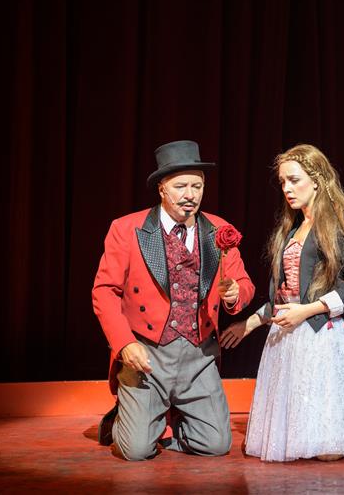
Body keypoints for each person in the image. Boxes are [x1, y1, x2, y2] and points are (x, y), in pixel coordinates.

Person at [220, 144, 344, 462]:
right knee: (295, 441)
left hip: (324, 331)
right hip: (290, 336)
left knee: (328, 451)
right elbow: (285, 293)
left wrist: (309, 310)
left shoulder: (341, 225)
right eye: (282, 182)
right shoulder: (291, 231)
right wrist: (251, 322)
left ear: (316, 180)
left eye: (294, 180)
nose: (287, 188)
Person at [92, 140, 255, 460]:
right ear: (162, 189)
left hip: (199, 355)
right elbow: (104, 291)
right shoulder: (128, 229)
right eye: (181, 186)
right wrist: (124, 344)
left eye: (197, 186)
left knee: (216, 445)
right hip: (147, 353)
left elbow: (245, 284)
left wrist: (236, 294)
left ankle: (173, 417)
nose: (190, 194)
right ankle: (127, 417)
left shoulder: (218, 230)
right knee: (136, 451)